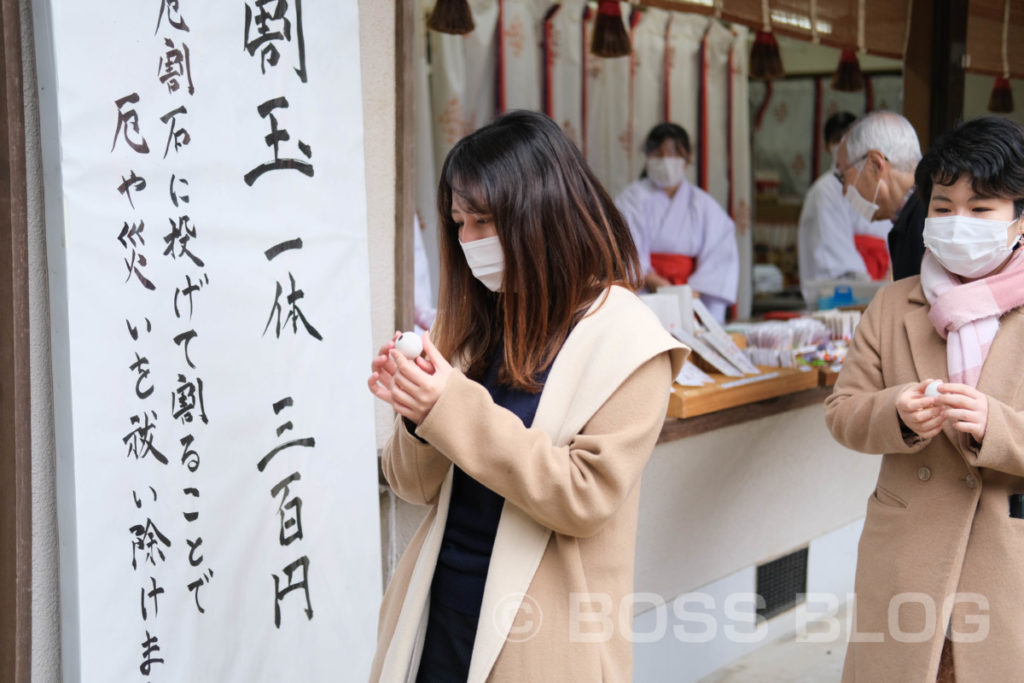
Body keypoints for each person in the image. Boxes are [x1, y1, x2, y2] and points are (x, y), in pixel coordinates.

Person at [367, 110, 687, 683]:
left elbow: (582, 497)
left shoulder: (630, 339)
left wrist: (449, 406)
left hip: (538, 634)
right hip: (437, 611)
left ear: (544, 214)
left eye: (483, 220)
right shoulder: (473, 323)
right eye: (458, 221)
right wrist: (416, 411)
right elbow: (413, 486)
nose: (467, 241)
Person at [824, 116, 1024, 682]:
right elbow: (842, 412)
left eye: (981, 208)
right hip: (906, 558)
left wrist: (996, 426)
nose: (958, 222)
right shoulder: (892, 305)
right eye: (943, 206)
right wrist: (896, 414)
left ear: (1018, 219)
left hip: (1006, 562)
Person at [615, 123, 738, 322]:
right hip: (644, 292)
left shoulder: (703, 204)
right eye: (658, 153)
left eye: (673, 153)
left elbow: (721, 253)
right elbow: (622, 250)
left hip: (691, 297)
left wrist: (694, 291)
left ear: (687, 158)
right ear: (647, 156)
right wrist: (652, 280)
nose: (665, 160)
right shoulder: (630, 199)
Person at [798, 112, 893, 304]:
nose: (842, 143)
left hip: (884, 281)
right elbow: (833, 249)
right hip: (847, 290)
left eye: (848, 137)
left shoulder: (877, 183)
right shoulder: (825, 190)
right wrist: (869, 286)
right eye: (836, 139)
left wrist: (890, 275)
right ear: (826, 146)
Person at [834, 111, 925, 279]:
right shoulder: (914, 214)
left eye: (843, 177)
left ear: (875, 165)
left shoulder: (927, 216)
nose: (844, 190)